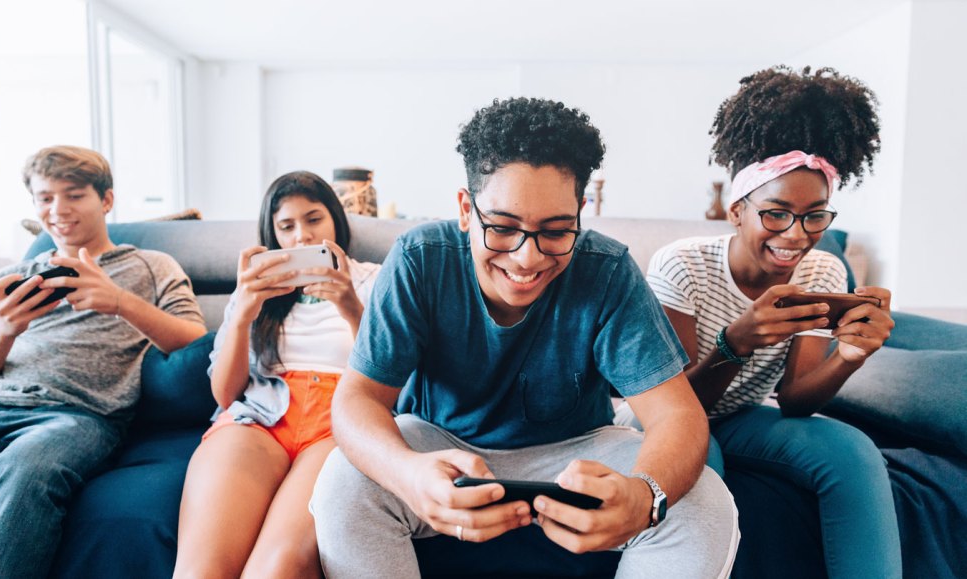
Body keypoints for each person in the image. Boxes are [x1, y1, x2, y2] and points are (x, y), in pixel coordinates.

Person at [310, 97, 739, 578]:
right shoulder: (418, 259)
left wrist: (644, 498)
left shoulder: (608, 269)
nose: (527, 259)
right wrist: (407, 476)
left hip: (577, 447)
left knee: (702, 498)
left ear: (581, 212)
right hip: (442, 445)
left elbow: (677, 414)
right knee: (343, 482)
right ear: (465, 210)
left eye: (556, 231)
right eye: (503, 227)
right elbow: (358, 398)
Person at [643, 65, 901, 578]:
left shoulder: (823, 267)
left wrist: (850, 357)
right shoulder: (682, 266)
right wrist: (734, 344)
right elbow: (674, 409)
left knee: (851, 449)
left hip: (743, 416)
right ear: (736, 210)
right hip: (665, 416)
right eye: (777, 213)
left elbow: (796, 399)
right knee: (699, 459)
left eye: (815, 216)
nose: (797, 234)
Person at [0, 146, 206, 579]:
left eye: (74, 195)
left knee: (25, 469)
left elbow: (197, 343)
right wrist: (2, 329)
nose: (58, 210)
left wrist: (121, 302)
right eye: (45, 198)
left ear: (106, 200)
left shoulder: (151, 266)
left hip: (75, 416)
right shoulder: (4, 282)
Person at [173, 171, 379, 579]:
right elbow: (225, 394)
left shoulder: (375, 279)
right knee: (200, 570)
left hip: (341, 416)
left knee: (276, 569)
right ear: (274, 236)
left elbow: (394, 380)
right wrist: (243, 315)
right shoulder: (256, 290)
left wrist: (351, 306)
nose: (302, 236)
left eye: (313, 219)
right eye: (287, 226)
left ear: (336, 219)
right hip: (260, 413)